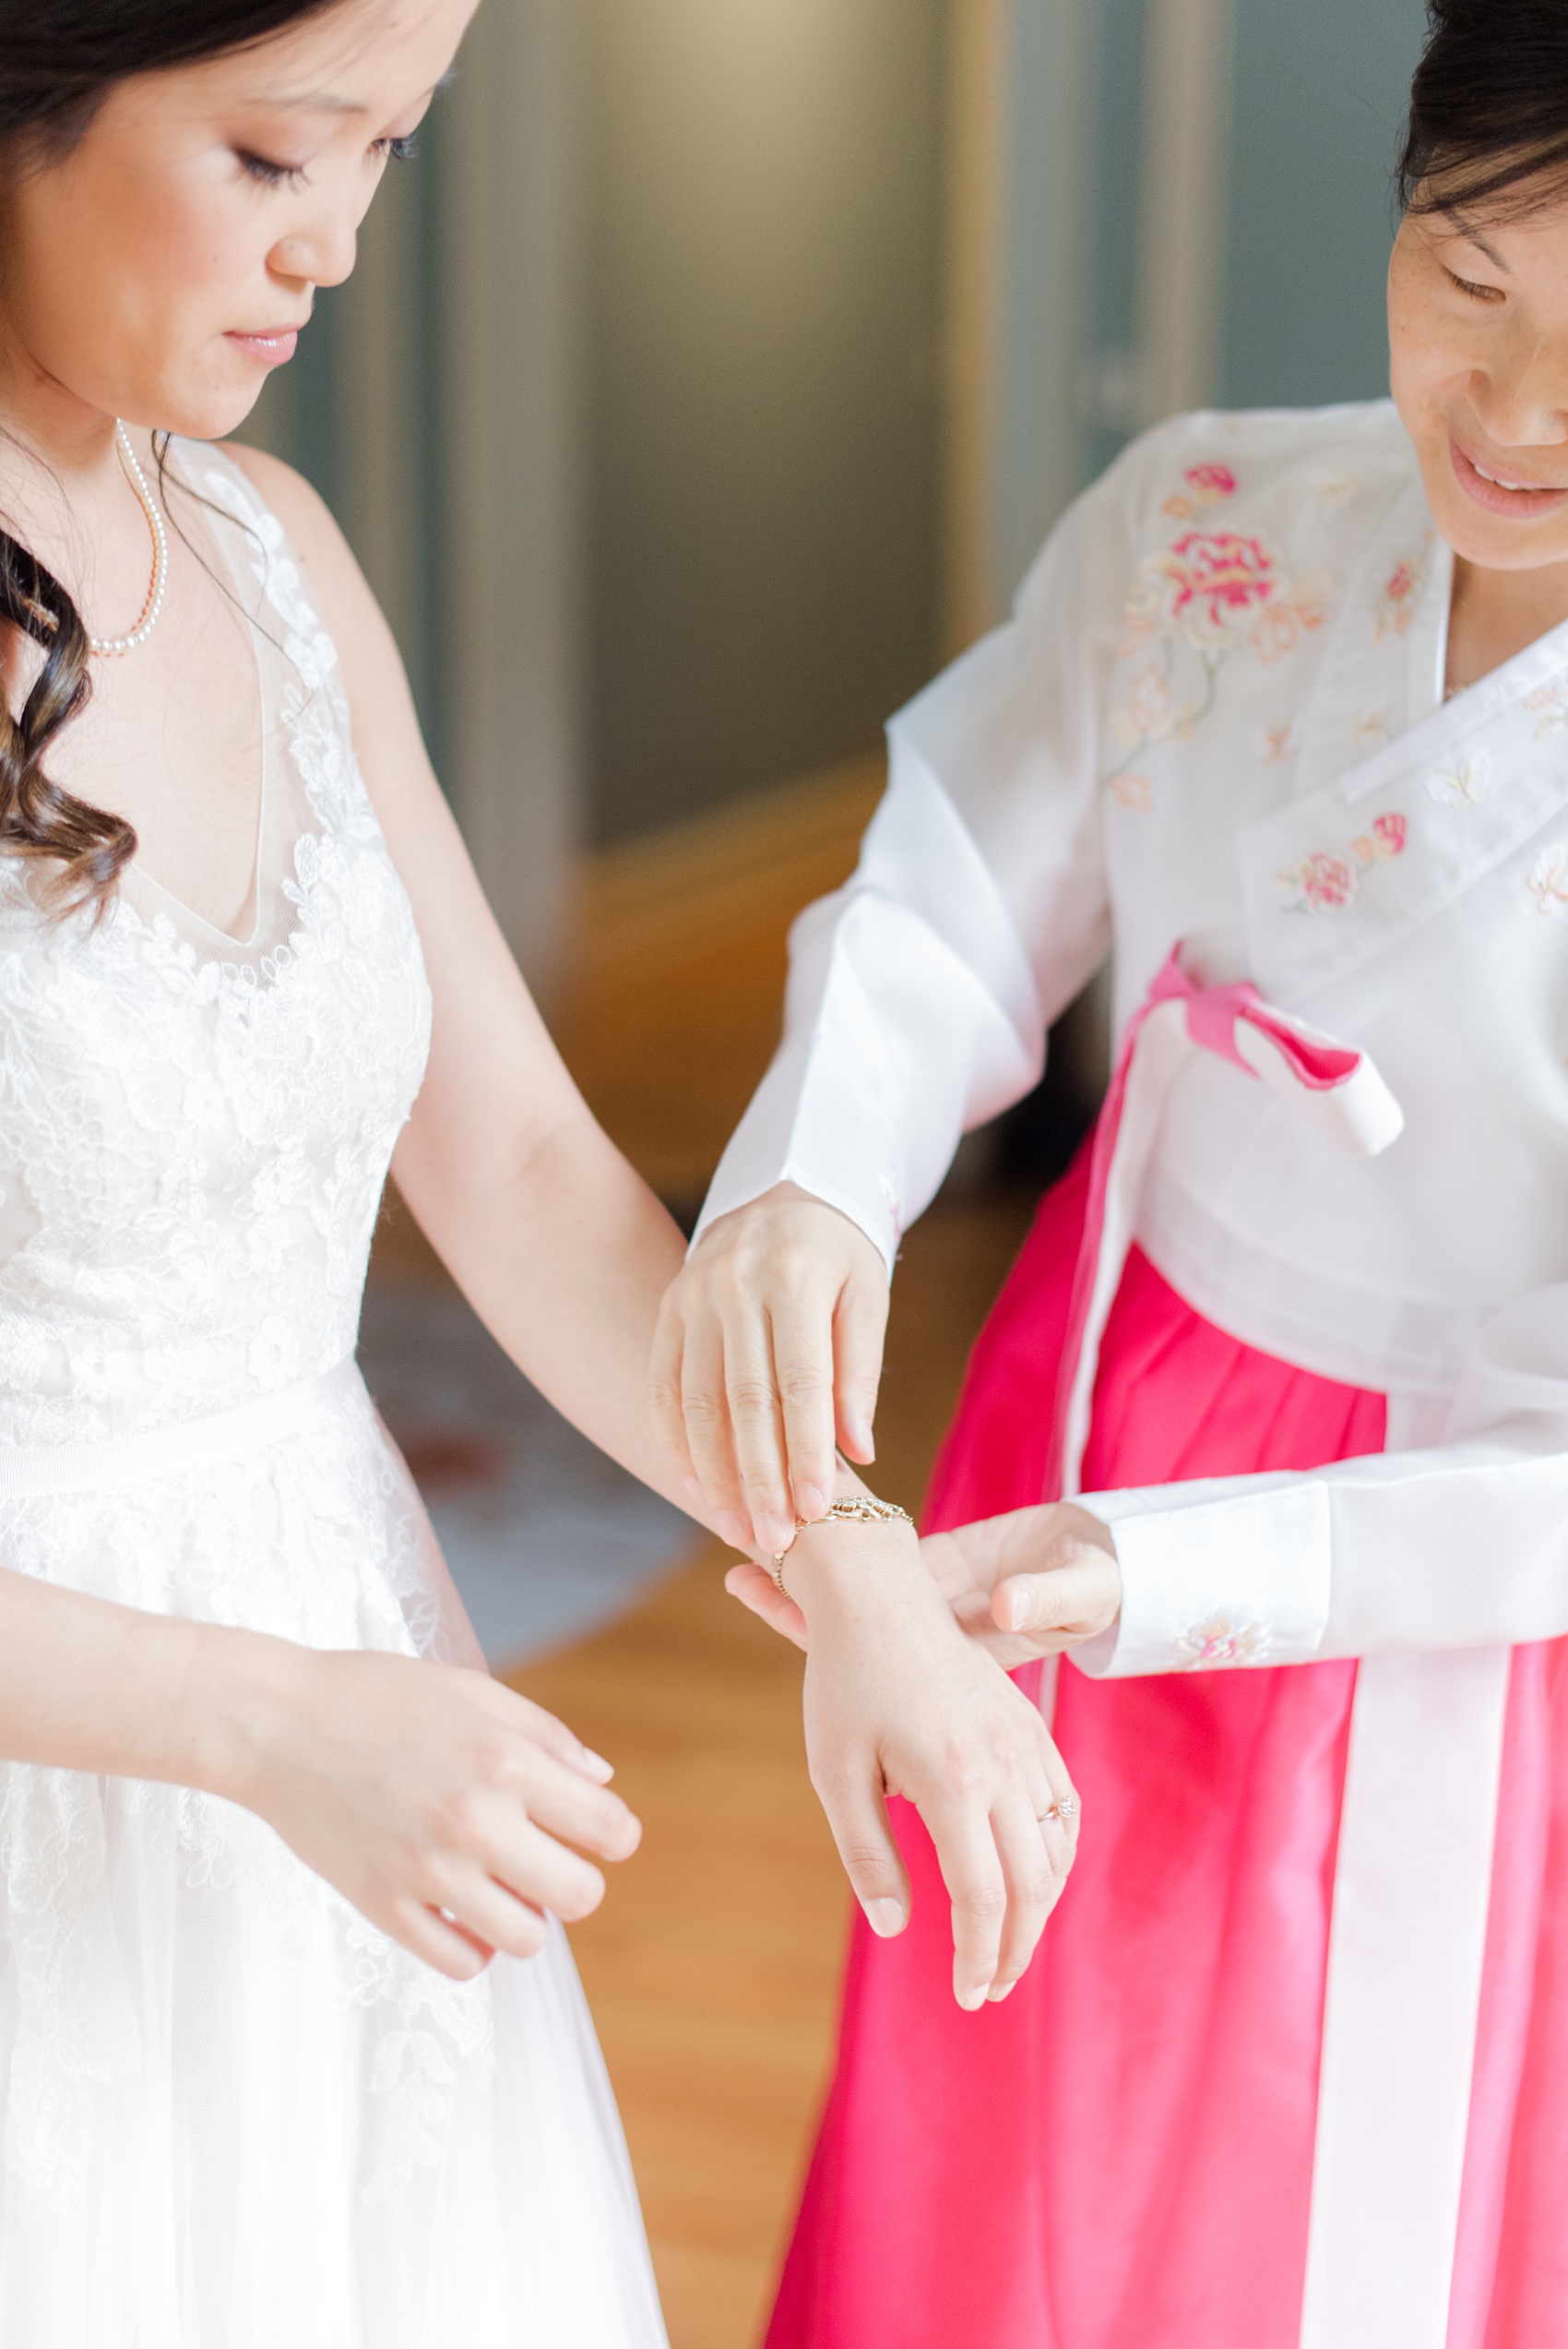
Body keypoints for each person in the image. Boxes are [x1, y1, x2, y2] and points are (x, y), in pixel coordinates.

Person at [0, 4, 1076, 2340]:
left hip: (362, 1704)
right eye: (278, 154)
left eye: (391, 150)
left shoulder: (267, 545)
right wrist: (268, 1724)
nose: (343, 243)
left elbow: (518, 1166)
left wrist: (845, 1555)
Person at [654, 3, 1568, 2342]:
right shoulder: (1205, 519)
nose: (1516, 407)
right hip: (1090, 1386)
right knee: (1005, 2090)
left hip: (1438, 1570)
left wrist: (1181, 1566)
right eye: (1465, 279)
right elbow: (961, 876)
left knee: (1307, 2174)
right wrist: (813, 1183)